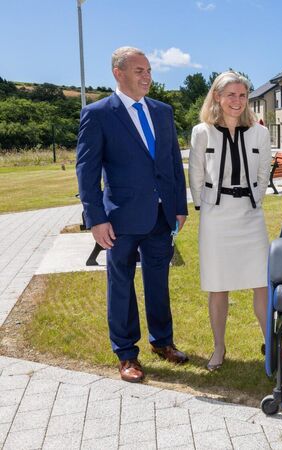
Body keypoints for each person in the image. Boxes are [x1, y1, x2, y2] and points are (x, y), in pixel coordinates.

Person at [76, 47, 189, 383]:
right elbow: (87, 170)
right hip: (120, 219)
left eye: (149, 70)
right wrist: (96, 218)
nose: (147, 77)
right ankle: (126, 353)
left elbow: (171, 164)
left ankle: (162, 341)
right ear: (118, 73)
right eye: (139, 70)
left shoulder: (162, 111)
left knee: (158, 282)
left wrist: (179, 206)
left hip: (160, 216)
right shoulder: (98, 114)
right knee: (121, 285)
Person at [188, 71, 272, 371]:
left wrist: (254, 200)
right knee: (218, 285)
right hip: (216, 217)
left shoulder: (260, 133)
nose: (237, 101)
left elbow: (264, 173)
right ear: (217, 97)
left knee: (262, 283)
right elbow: (196, 174)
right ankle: (219, 348)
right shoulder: (202, 132)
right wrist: (203, 206)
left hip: (250, 216)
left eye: (242, 95)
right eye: (231, 95)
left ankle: (272, 346)